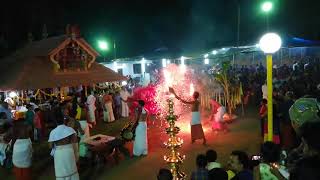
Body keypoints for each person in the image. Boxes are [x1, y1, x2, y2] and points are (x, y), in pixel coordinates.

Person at [48, 110, 79, 180]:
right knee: (72, 170)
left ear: (55, 121)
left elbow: (50, 146)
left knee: (61, 172)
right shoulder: (70, 130)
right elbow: (75, 143)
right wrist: (76, 155)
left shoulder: (53, 132)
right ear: (64, 120)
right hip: (69, 151)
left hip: (59, 153)